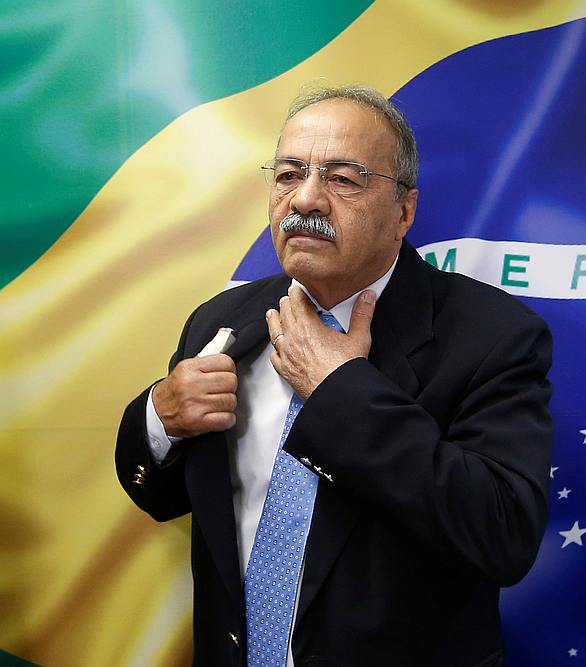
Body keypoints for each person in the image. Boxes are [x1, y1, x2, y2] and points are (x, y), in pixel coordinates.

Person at [115, 84, 553, 667]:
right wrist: (160, 418)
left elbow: (502, 534)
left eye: (343, 179)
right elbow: (163, 496)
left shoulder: (493, 334)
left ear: (404, 211)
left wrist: (341, 392)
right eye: (288, 175)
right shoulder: (221, 321)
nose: (307, 200)